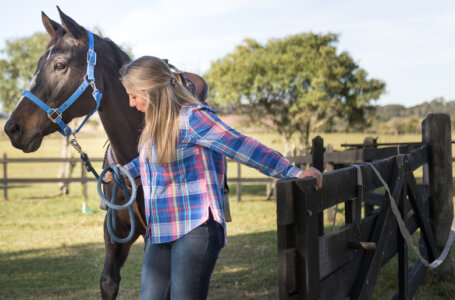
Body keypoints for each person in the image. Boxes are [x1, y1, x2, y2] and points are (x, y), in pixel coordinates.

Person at [104, 56, 322, 299]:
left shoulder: (194, 119)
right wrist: (122, 172)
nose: (131, 103)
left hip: (196, 226)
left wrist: (293, 172)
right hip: (163, 228)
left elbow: (243, 147)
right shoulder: (155, 125)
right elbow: (149, 161)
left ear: (152, 90)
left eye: (134, 96)